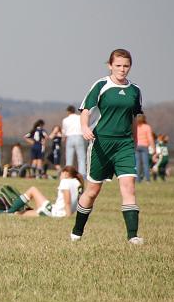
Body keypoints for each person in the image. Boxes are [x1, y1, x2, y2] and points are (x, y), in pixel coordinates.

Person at [71, 48, 144, 245]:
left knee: (129, 187)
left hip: (124, 145)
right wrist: (85, 127)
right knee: (92, 191)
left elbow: (134, 119)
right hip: (101, 144)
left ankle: (133, 236)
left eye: (126, 66)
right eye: (118, 65)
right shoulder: (101, 85)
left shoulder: (135, 90)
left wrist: (134, 142)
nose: (122, 69)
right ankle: (77, 231)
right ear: (110, 65)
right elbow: (86, 110)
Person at [2, 166, 83, 217]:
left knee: (32, 190)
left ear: (66, 173)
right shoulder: (78, 183)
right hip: (56, 211)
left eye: (61, 174)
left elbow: (67, 201)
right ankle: (10, 212)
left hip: (54, 213)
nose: (60, 177)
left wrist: (68, 217)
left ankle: (9, 212)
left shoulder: (65, 181)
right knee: (25, 211)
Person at [62, 105, 86, 175]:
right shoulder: (79, 117)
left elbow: (64, 131)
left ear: (68, 111)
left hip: (69, 137)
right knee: (81, 158)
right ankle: (82, 174)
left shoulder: (65, 120)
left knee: (69, 157)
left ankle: (68, 173)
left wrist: (64, 139)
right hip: (79, 137)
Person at [134, 114, 155, 182]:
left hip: (136, 146)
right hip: (144, 146)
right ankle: (147, 179)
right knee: (146, 163)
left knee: (137, 163)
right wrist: (153, 147)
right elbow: (150, 138)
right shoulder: (147, 127)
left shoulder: (135, 126)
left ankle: (138, 179)